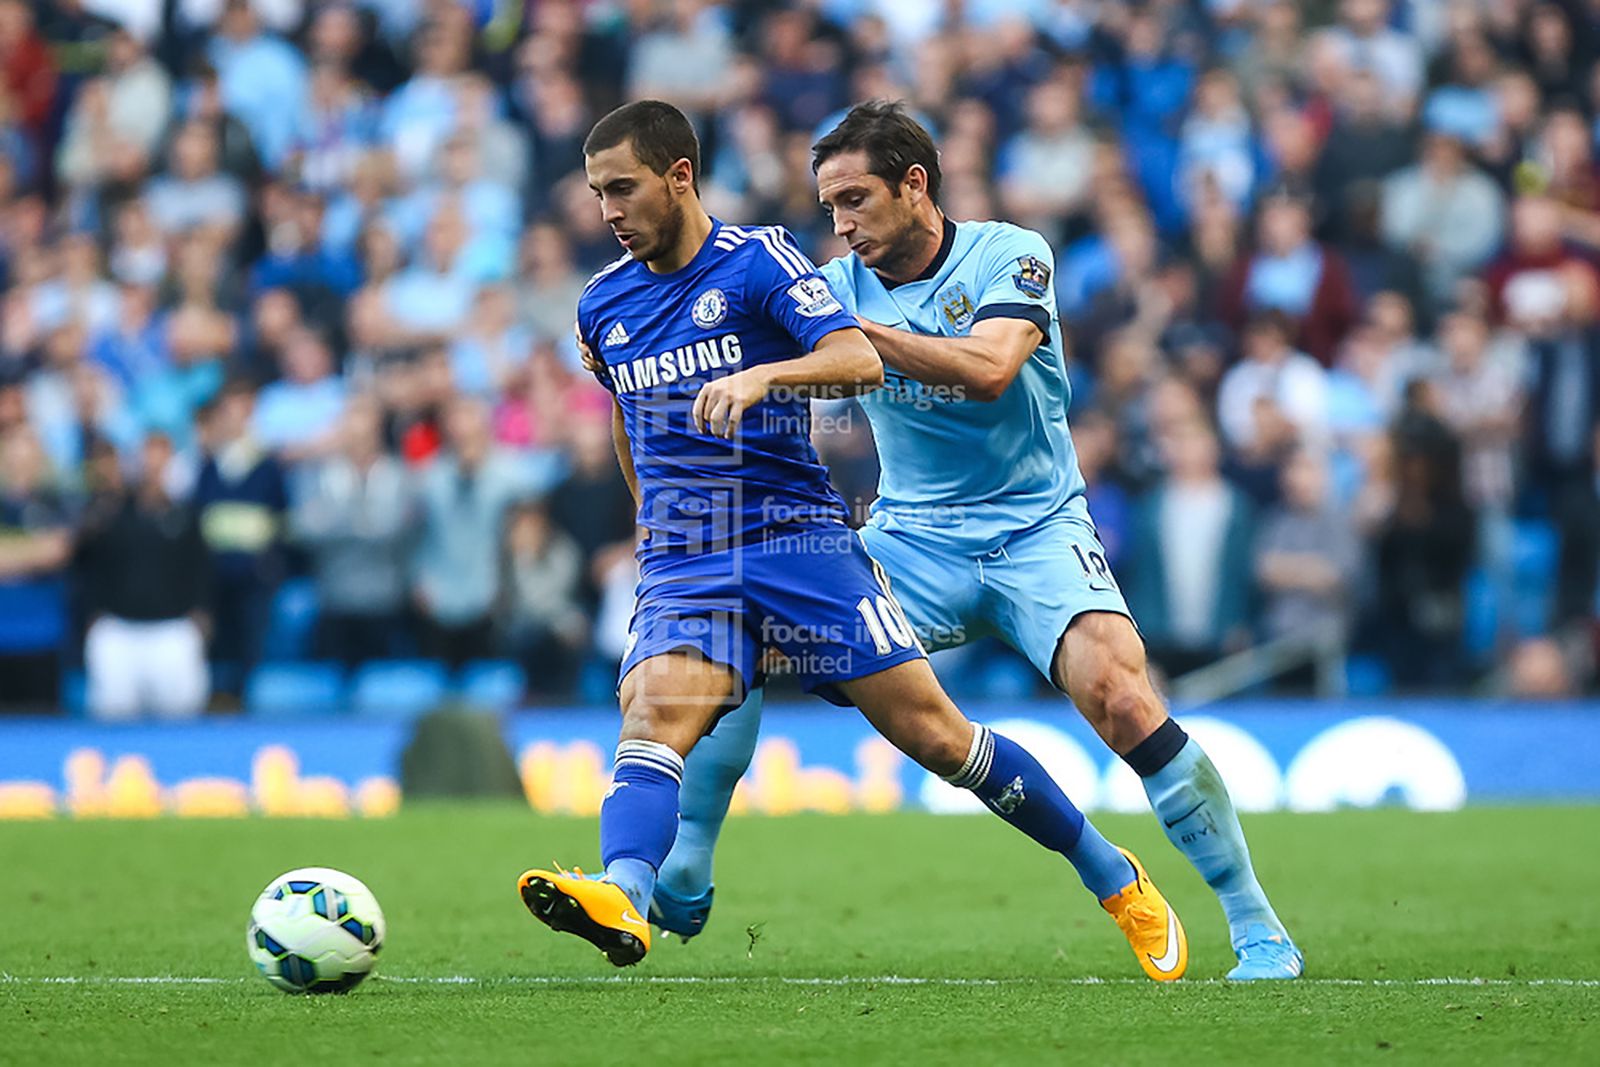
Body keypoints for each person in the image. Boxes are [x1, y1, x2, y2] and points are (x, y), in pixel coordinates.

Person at [593, 102, 1302, 980]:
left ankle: (1254, 921)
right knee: (749, 638)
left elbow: (991, 367)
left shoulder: (1009, 254)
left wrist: (845, 336)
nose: (841, 224)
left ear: (915, 185)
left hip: (1035, 525)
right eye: (829, 206)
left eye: (856, 200)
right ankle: (688, 862)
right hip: (911, 536)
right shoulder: (829, 282)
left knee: (1121, 697)